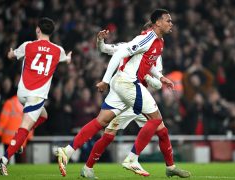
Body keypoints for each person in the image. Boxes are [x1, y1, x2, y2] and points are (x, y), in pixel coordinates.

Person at [56, 9, 190, 178]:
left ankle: (69, 153)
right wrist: (105, 77)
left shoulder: (158, 43)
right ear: (155, 24)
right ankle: (132, 159)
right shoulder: (144, 39)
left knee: (103, 122)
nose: (171, 24)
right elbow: (110, 50)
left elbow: (151, 67)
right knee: (155, 121)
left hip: (130, 91)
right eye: (168, 21)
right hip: (129, 87)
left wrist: (160, 78)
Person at [0, 17, 72, 176]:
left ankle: (19, 141)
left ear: (38, 30)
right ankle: (3, 160)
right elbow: (66, 60)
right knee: (24, 128)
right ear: (52, 32)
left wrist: (10, 53)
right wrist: (69, 57)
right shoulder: (58, 50)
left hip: (22, 93)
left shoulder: (27, 46)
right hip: (36, 97)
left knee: (44, 115)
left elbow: (11, 56)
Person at [0, 94, 34, 163]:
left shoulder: (9, 103)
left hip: (8, 139)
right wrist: (30, 137)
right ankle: (20, 173)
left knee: (6, 160)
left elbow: (3, 120)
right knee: (20, 161)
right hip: (21, 139)